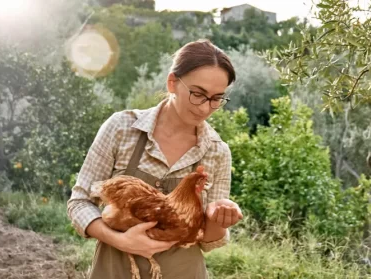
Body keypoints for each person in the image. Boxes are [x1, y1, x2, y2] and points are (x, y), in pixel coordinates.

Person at [67, 39, 243, 279]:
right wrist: (121, 240)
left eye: (216, 99)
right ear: (172, 83)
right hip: (115, 269)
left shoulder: (216, 151)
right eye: (198, 94)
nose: (205, 108)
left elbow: (209, 242)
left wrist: (218, 219)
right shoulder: (122, 128)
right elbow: (79, 203)